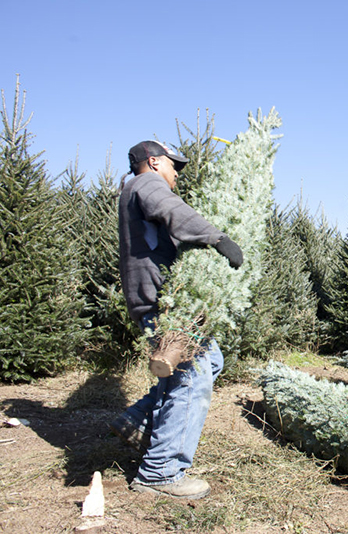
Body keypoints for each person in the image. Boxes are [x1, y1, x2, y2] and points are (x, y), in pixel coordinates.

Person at [110, 140, 243, 499]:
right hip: (165, 304)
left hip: (160, 300)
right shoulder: (146, 185)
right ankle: (161, 470)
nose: (176, 175)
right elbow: (172, 209)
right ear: (153, 162)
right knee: (192, 377)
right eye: (173, 166)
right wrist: (218, 239)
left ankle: (137, 420)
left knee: (211, 360)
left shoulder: (133, 188)